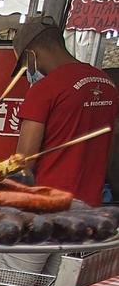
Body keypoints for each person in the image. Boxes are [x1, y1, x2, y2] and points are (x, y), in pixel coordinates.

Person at [13, 15, 119, 204]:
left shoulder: (44, 89)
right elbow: (109, 148)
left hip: (50, 203)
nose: (27, 72)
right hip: (91, 203)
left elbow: (24, 163)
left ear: (31, 55)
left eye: (24, 66)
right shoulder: (107, 83)